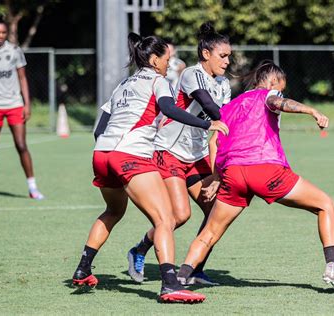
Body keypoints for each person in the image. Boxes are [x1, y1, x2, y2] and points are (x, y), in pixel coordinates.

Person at [174, 61, 334, 292]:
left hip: (234, 173)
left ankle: (181, 278)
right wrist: (311, 110)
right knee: (325, 204)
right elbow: (277, 102)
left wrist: (217, 176)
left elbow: (215, 140)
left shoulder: (231, 105)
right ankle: (333, 266)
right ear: (272, 82)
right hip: (265, 170)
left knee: (210, 232)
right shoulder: (268, 94)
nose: (280, 92)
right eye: (280, 88)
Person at [72, 32, 229, 303]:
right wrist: (207, 124)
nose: (170, 65)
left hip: (102, 153)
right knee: (165, 220)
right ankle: (170, 284)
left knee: (113, 211)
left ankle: (83, 268)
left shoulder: (123, 84)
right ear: (155, 60)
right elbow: (169, 109)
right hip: (131, 155)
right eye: (167, 60)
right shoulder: (158, 80)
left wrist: (110, 154)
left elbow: (100, 128)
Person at [127, 22, 231, 286]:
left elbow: (224, 126)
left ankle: (194, 269)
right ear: (206, 54)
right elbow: (209, 106)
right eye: (223, 55)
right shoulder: (191, 75)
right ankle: (139, 250)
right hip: (169, 150)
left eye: (229, 56)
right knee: (180, 215)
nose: (228, 61)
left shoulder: (224, 84)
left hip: (196, 155)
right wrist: (232, 120)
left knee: (215, 211)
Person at [0, 20, 44, 200]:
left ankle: (32, 188)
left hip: (14, 104)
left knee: (21, 145)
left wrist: (26, 104)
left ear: (6, 34)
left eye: (3, 32)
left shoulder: (14, 51)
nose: (0, 35)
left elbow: (22, 78)